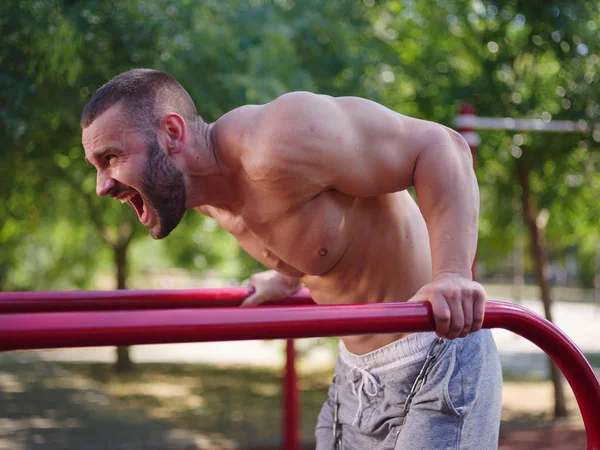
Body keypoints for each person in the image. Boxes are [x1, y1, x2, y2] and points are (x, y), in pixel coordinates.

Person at [81, 69, 502, 449]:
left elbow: (441, 146)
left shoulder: (280, 137)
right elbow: (312, 229)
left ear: (172, 134)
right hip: (356, 376)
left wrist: (451, 274)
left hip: (436, 353)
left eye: (111, 157)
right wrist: (287, 276)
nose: (101, 186)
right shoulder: (207, 198)